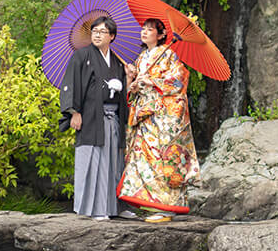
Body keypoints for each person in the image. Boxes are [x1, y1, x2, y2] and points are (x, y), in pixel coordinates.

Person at [118, 18, 199, 222]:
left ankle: (167, 207)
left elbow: (178, 81)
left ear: (161, 35)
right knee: (145, 159)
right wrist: (132, 82)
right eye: (143, 29)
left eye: (150, 30)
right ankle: (152, 204)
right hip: (144, 115)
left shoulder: (169, 55)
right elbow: (133, 90)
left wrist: (152, 81)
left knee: (163, 159)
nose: (144, 33)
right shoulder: (141, 57)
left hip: (162, 117)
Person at [60, 15, 128, 220]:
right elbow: (70, 83)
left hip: (112, 118)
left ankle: (114, 208)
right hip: (90, 117)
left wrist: (128, 79)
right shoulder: (82, 56)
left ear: (112, 36)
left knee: (113, 163)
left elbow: (123, 93)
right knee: (93, 161)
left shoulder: (117, 61)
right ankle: (94, 210)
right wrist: (74, 112)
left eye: (102, 32)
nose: (97, 35)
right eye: (94, 31)